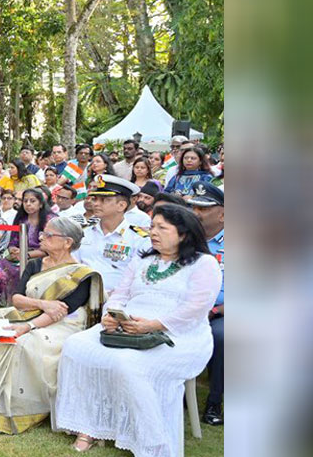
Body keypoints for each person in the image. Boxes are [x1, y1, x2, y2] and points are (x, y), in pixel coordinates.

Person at [54, 204, 220, 454]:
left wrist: (154, 325)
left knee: (129, 363)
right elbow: (120, 294)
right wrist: (111, 315)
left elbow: (196, 308)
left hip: (179, 336)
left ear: (183, 234)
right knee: (75, 346)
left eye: (162, 228)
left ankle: (151, 439)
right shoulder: (143, 259)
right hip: (128, 327)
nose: (153, 232)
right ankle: (88, 425)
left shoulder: (203, 263)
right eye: (152, 226)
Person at [0, 217, 101, 435]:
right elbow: (17, 297)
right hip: (26, 314)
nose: (41, 238)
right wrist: (41, 303)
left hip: (62, 325)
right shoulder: (36, 264)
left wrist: (28, 327)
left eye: (48, 235)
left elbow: (59, 312)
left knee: (23, 344)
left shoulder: (79, 274)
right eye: (43, 233)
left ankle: (20, 406)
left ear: (67, 242)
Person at [0, 188, 55, 319]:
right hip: (19, 255)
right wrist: (13, 249)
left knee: (18, 271)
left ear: (41, 203)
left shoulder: (51, 220)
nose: (28, 204)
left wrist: (27, 254)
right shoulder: (21, 219)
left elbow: (51, 247)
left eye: (32, 201)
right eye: (25, 201)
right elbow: (13, 240)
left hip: (42, 258)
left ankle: (18, 308)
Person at [186, 182, 224, 426]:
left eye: (203, 209)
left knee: (221, 336)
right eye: (193, 207)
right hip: (187, 309)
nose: (196, 213)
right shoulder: (185, 240)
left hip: (222, 312)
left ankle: (214, 400)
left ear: (223, 213)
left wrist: (215, 310)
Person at [73, 175, 150, 295]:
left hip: (118, 300)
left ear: (121, 206)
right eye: (95, 199)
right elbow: (73, 266)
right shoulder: (83, 233)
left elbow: (139, 277)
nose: (96, 204)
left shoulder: (138, 238)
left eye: (104, 200)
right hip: (81, 296)